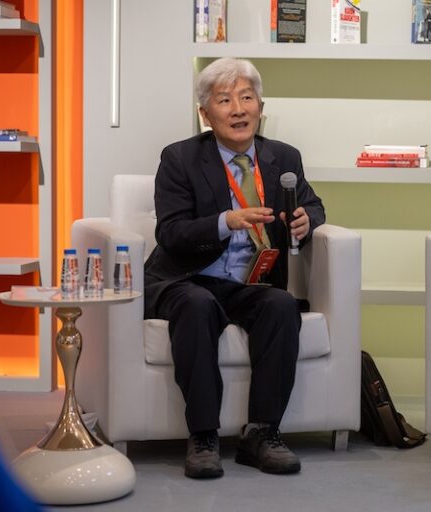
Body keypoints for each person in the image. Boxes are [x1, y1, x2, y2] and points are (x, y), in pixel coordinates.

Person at [144, 57, 325, 479]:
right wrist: (226, 221)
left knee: (281, 306)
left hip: (249, 283)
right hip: (186, 278)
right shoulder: (180, 158)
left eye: (247, 98)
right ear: (205, 114)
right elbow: (170, 232)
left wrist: (307, 221)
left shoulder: (284, 158)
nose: (238, 109)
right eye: (225, 100)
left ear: (261, 107)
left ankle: (262, 433)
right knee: (197, 305)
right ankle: (203, 435)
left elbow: (312, 204)